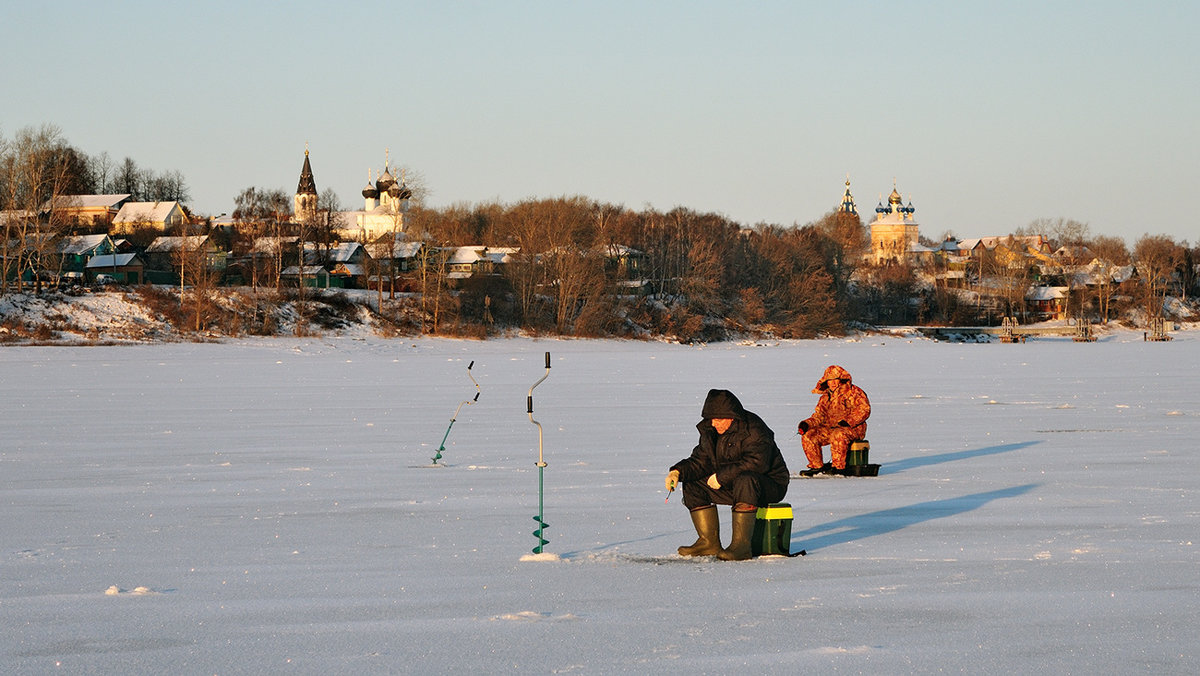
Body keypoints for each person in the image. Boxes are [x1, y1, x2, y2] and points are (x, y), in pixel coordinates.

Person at [665, 389, 789, 561]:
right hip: (734, 482)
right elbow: (700, 461)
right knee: (693, 483)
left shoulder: (754, 429)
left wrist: (721, 477)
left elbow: (757, 463)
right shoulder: (711, 431)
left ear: (732, 416)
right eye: (712, 419)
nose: (714, 424)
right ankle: (708, 543)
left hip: (769, 485)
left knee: (745, 480)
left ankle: (741, 547)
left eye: (719, 419)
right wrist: (677, 472)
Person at [797, 365, 871, 475]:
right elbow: (819, 416)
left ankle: (838, 468)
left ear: (840, 380)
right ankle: (817, 467)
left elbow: (864, 409)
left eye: (835, 380)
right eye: (829, 380)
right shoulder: (825, 397)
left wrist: (848, 421)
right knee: (809, 435)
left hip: (854, 429)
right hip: (830, 429)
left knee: (838, 434)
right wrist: (806, 424)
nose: (833, 383)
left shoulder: (854, 392)